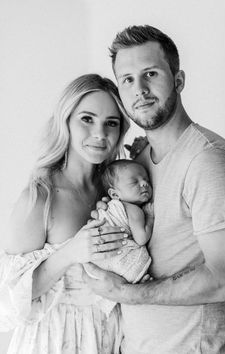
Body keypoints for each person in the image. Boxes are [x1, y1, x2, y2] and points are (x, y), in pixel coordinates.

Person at [82, 25, 225, 353]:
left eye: (150, 73)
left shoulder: (207, 160)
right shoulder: (138, 161)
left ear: (178, 80)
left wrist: (126, 293)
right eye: (127, 79)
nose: (140, 89)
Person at [0, 74, 130, 354]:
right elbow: (6, 305)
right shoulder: (40, 197)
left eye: (111, 123)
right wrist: (70, 252)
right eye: (87, 119)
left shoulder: (114, 192)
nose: (99, 133)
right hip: (53, 342)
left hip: (108, 338)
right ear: (66, 120)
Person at [95, 159, 153, 284]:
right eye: (134, 182)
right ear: (115, 194)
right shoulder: (133, 210)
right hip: (121, 261)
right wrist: (150, 216)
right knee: (139, 255)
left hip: (100, 262)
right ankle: (138, 277)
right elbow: (142, 238)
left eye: (147, 180)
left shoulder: (109, 206)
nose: (144, 183)